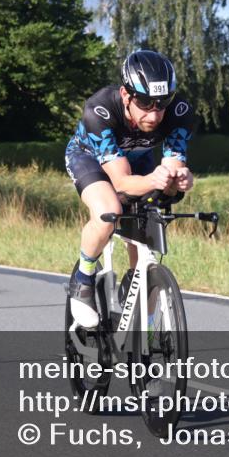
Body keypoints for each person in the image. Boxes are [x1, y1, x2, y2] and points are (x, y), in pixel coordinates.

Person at [64, 50, 196, 328]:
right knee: (108, 211)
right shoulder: (99, 109)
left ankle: (143, 322)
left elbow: (172, 167)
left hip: (138, 160)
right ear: (126, 95)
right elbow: (122, 182)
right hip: (89, 159)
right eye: (146, 103)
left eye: (162, 104)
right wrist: (156, 180)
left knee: (148, 226)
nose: (155, 113)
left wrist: (179, 180)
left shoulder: (179, 111)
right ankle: (83, 279)